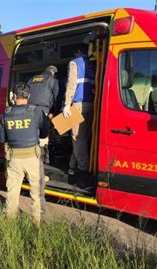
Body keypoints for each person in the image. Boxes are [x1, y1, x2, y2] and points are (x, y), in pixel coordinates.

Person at [0, 82, 49, 225]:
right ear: (29, 96)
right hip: (33, 158)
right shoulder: (36, 112)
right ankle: (37, 224)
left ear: (14, 96)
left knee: (12, 193)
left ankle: (10, 223)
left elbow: (1, 139)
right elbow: (45, 133)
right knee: (37, 193)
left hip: (14, 159)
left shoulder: (5, 115)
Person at [27, 65, 59, 207]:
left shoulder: (32, 78)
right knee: (43, 140)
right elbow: (57, 96)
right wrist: (55, 111)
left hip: (29, 111)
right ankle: (41, 169)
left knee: (31, 140)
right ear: (53, 72)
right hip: (43, 111)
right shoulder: (52, 80)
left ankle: (31, 168)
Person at [62, 43, 95, 179]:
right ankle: (72, 165)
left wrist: (66, 104)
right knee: (84, 137)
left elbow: (71, 84)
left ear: (77, 52)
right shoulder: (94, 64)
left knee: (76, 137)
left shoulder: (75, 63)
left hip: (78, 104)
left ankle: (83, 167)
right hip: (92, 104)